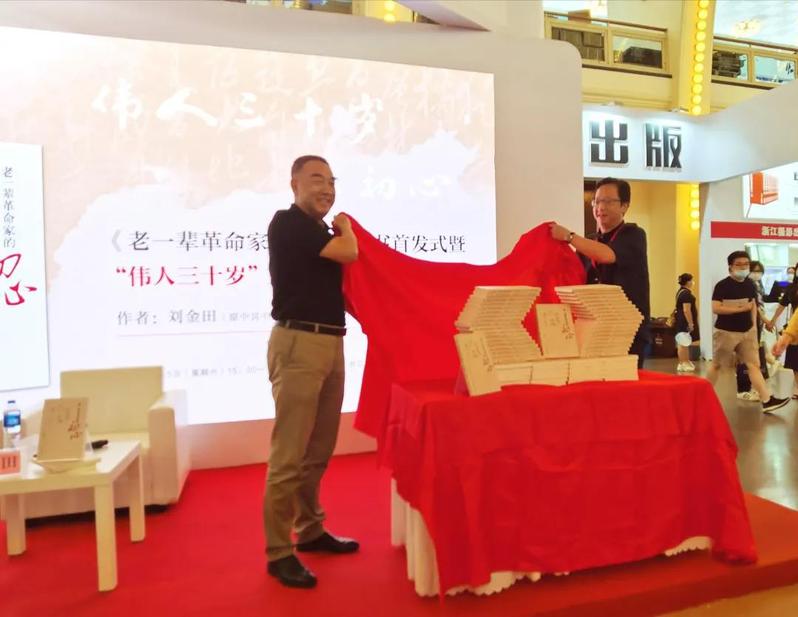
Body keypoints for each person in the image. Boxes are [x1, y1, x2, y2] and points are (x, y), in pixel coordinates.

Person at [264, 155, 359, 589]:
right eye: (317, 179)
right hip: (299, 343)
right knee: (289, 454)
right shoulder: (289, 223)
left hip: (330, 342)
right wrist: (346, 227)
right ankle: (278, 552)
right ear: (294, 184)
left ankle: (310, 528)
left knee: (318, 448)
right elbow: (349, 252)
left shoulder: (318, 230)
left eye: (331, 181)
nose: (326, 188)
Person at [550, 177, 650, 368]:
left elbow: (607, 255)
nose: (600, 207)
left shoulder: (634, 235)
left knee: (624, 383)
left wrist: (569, 237)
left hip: (627, 331)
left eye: (608, 201)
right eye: (596, 201)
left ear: (624, 206)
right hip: (594, 329)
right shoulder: (590, 242)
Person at [705, 251, 788, 414]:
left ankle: (767, 400)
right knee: (717, 364)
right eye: (739, 264)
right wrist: (740, 308)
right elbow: (716, 308)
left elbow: (753, 306)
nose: (743, 267)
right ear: (730, 266)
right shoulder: (722, 285)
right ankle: (703, 396)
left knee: (754, 365)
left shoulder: (750, 284)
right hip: (726, 332)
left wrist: (754, 328)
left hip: (747, 332)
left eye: (746, 264)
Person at [735, 260, 772, 400]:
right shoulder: (747, 286)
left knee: (755, 358)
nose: (757, 274)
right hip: (747, 324)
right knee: (746, 357)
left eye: (759, 271)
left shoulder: (757, 285)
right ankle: (744, 388)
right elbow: (754, 306)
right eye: (754, 271)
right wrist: (765, 320)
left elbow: (759, 305)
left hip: (757, 324)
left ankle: (755, 388)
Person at [767, 264, 798, 399]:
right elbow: (782, 305)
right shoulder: (791, 287)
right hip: (794, 329)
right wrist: (773, 320)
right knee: (794, 362)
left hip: (793, 329)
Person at [674, 273, 699, 373]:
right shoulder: (686, 294)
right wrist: (690, 323)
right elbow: (686, 310)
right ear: (688, 282)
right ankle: (683, 362)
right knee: (683, 343)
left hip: (680, 320)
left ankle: (684, 362)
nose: (693, 282)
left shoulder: (681, 292)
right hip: (684, 321)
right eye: (691, 280)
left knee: (683, 342)